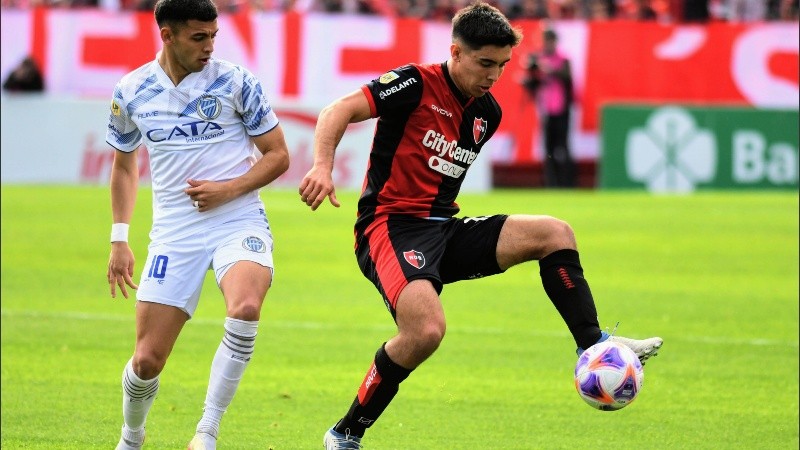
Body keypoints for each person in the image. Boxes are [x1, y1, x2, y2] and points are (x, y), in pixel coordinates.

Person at [298, 2, 662, 448]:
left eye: (502, 65)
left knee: (555, 233)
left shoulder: (487, 113)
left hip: (443, 230)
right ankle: (345, 433)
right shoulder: (414, 83)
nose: (494, 75)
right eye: (485, 63)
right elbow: (336, 110)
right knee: (425, 332)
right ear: (455, 52)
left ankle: (594, 346)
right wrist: (322, 166)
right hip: (390, 227)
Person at [105, 0, 290, 449]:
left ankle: (206, 431)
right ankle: (131, 437)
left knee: (245, 309)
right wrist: (119, 239)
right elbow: (124, 167)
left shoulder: (236, 82)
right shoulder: (131, 91)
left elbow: (279, 155)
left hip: (238, 218)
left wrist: (229, 189)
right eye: (198, 37)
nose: (209, 46)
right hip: (174, 232)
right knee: (147, 361)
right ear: (167, 35)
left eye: (213, 36)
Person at [522, 28, 576, 188]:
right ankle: (551, 184)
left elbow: (567, 77)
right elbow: (534, 84)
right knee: (548, 149)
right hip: (545, 110)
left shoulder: (563, 59)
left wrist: (548, 69)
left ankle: (567, 183)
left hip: (562, 109)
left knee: (563, 147)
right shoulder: (538, 58)